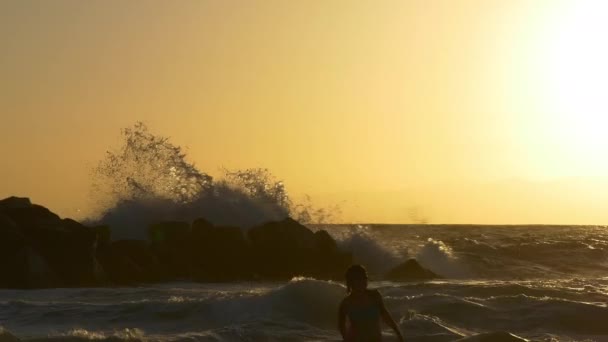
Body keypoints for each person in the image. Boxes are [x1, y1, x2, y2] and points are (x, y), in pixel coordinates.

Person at [338, 265, 405, 342]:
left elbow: (385, 316)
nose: (363, 281)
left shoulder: (374, 296)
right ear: (351, 281)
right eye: (358, 279)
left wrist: (398, 333)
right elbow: (341, 327)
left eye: (364, 278)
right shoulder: (346, 303)